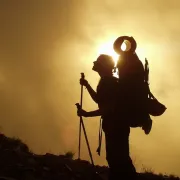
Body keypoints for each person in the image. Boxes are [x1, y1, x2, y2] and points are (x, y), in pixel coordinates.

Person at [77, 54, 137, 179]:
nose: (95, 66)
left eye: (98, 64)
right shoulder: (109, 81)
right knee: (120, 158)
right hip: (117, 126)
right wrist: (87, 85)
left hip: (115, 126)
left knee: (117, 159)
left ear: (102, 66)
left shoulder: (108, 82)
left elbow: (107, 108)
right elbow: (99, 100)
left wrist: (87, 114)